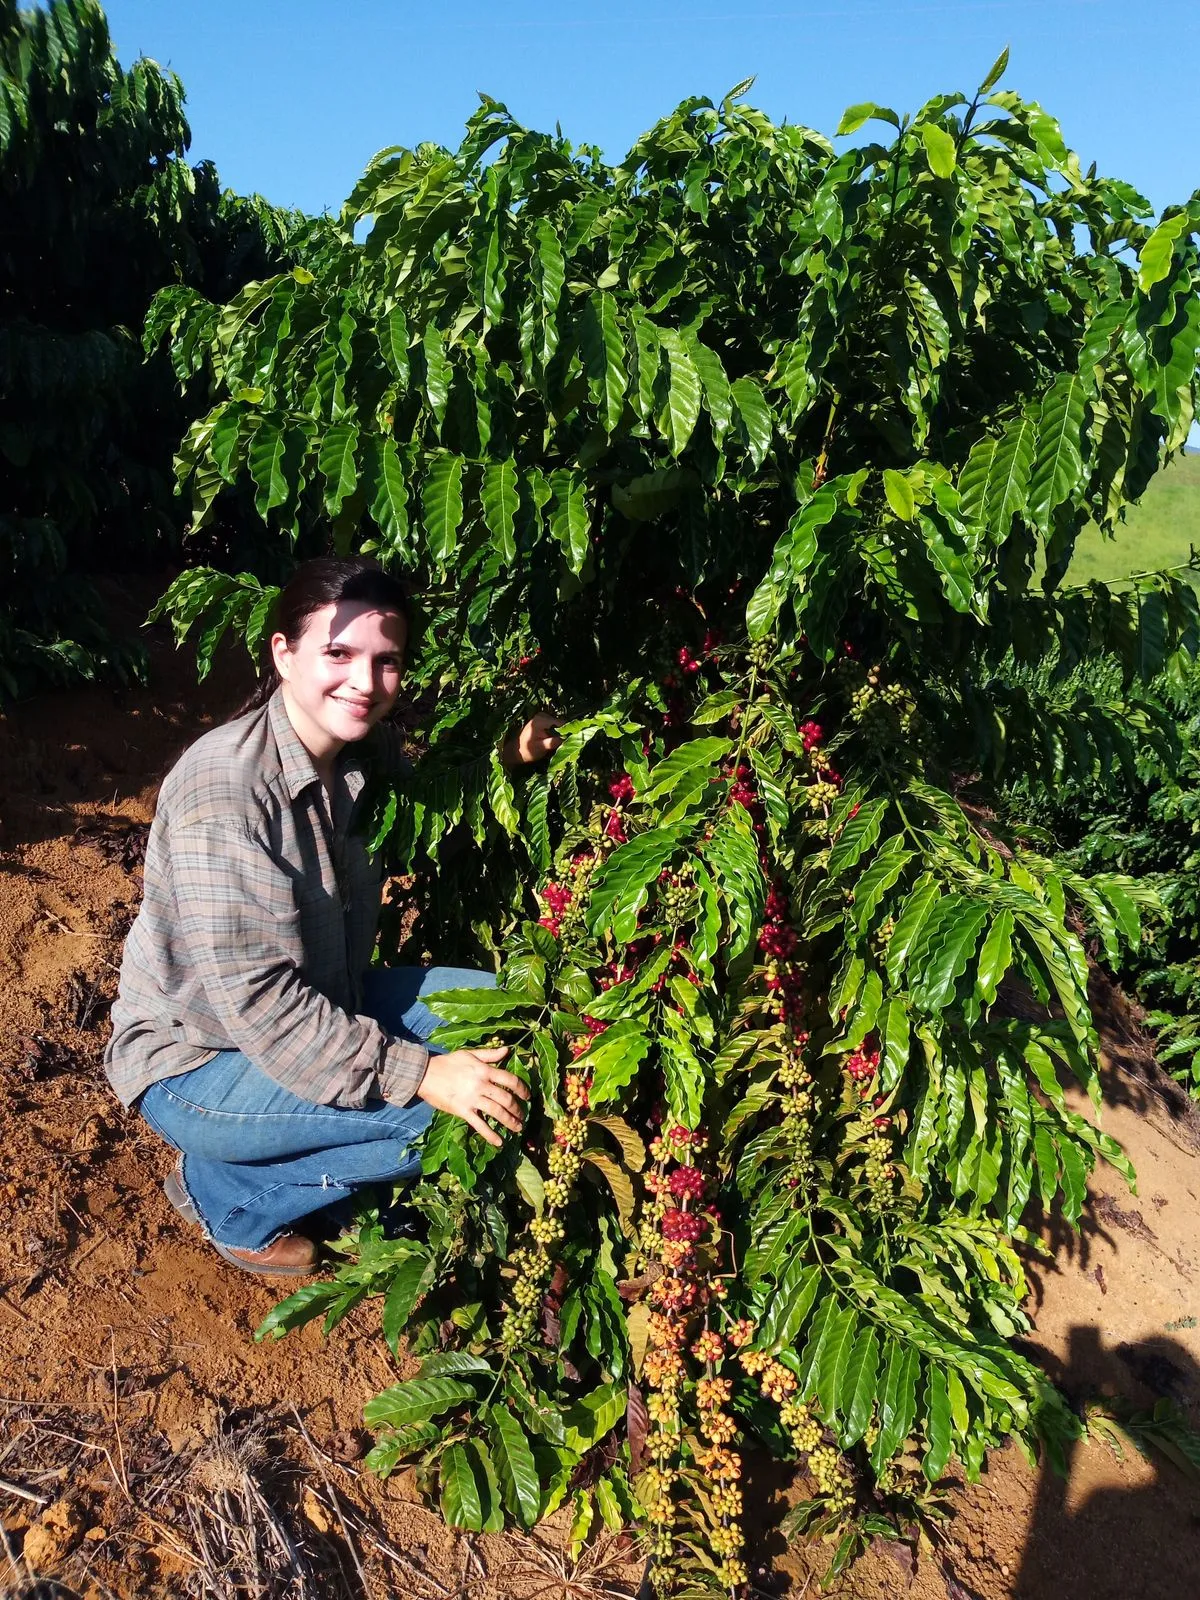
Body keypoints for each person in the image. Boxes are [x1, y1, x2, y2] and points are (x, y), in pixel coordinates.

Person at [104, 557, 560, 1276]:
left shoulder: (357, 752)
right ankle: (229, 1191)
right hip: (199, 1062)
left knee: (494, 1011)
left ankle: (291, 1159)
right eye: (338, 654)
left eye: (387, 662)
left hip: (318, 1010)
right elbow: (264, 1009)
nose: (365, 682)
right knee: (444, 1124)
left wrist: (511, 754)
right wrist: (421, 1076)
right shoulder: (224, 793)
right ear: (283, 654)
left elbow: (423, 795)